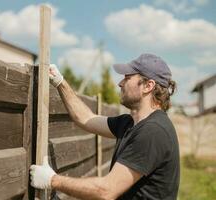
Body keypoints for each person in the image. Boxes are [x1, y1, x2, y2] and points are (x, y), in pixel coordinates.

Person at [30, 53, 180, 200]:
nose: (120, 83)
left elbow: (106, 191)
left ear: (148, 86)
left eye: (127, 78)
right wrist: (60, 82)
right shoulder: (129, 123)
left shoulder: (153, 131)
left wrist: (52, 180)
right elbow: (86, 118)